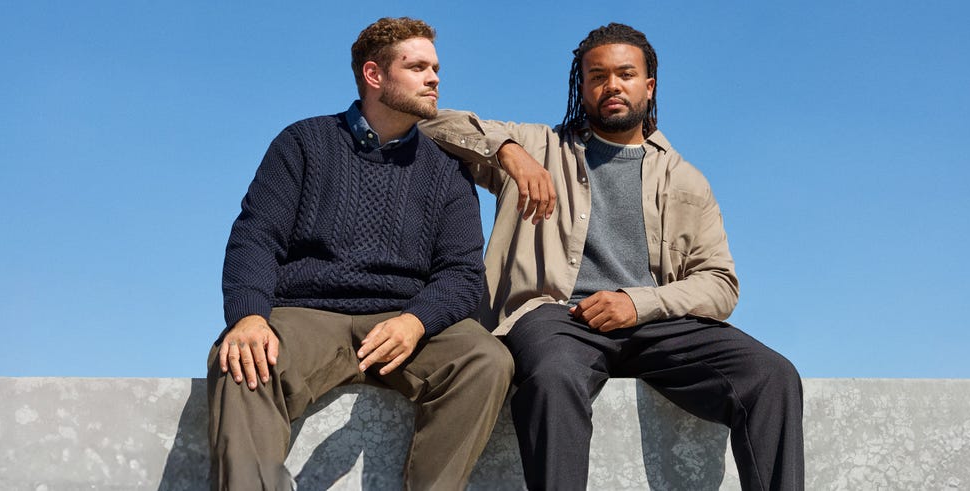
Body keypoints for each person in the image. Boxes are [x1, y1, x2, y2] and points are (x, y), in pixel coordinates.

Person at [420, 23, 804, 491]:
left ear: (649, 85)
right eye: (597, 76)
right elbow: (428, 125)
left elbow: (720, 284)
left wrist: (637, 303)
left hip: (654, 323)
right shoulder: (539, 146)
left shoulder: (685, 179)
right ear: (582, 87)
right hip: (557, 317)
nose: (612, 86)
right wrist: (508, 151)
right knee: (553, 376)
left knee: (773, 376)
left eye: (625, 74)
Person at [208, 16, 513, 491]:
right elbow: (256, 236)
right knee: (242, 360)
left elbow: (460, 273)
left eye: (435, 68)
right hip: (307, 316)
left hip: (403, 322)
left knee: (486, 359)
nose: (434, 79)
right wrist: (248, 316)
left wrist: (416, 322)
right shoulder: (303, 143)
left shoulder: (449, 170)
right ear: (375, 74)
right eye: (417, 67)